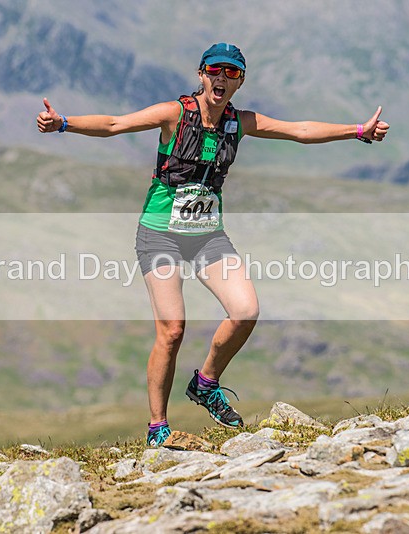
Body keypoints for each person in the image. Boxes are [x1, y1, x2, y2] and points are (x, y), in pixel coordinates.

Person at [37, 43, 389, 447]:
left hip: (207, 236)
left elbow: (300, 131)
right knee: (171, 331)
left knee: (246, 310)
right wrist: (63, 123)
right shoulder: (175, 113)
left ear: (240, 81)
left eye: (232, 73)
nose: (222, 79)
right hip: (160, 234)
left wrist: (358, 132)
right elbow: (116, 124)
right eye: (215, 71)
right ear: (201, 74)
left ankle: (206, 382)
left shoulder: (240, 122)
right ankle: (157, 429)